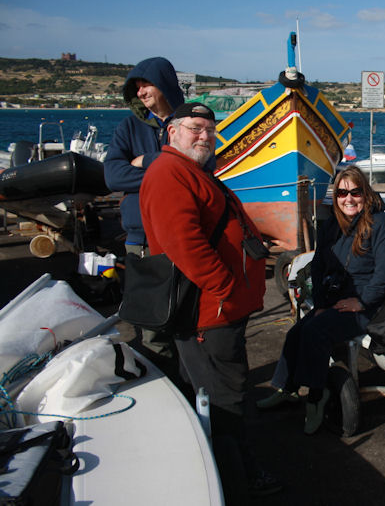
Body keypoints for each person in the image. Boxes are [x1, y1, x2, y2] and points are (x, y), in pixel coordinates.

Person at [139, 102, 281, 501]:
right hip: (209, 315)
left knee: (212, 389)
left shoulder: (190, 171)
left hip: (219, 312)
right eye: (195, 127)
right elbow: (184, 244)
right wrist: (226, 289)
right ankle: (239, 479)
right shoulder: (169, 173)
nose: (204, 135)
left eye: (210, 129)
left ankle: (224, 467)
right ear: (172, 132)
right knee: (226, 397)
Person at [257, 165, 385, 435]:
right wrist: (321, 303)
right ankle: (286, 388)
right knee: (297, 332)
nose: (349, 199)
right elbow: (319, 266)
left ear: (365, 193)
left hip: (369, 303)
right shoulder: (332, 227)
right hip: (337, 298)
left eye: (355, 192)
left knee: (315, 332)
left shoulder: (382, 226)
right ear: (335, 197)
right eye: (342, 193)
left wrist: (361, 301)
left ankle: (316, 397)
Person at [104, 57, 185, 359]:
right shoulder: (128, 127)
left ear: (165, 84)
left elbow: (203, 170)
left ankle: (193, 392)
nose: (140, 92)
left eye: (146, 84)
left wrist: (149, 161)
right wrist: (172, 169)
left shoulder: (191, 123)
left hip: (183, 239)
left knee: (188, 320)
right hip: (141, 244)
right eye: (136, 87)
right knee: (152, 328)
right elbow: (113, 175)